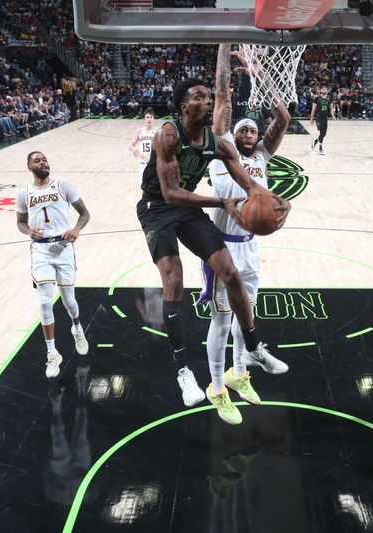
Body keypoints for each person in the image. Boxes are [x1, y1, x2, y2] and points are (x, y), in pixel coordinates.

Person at [137, 77, 291, 407]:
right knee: (174, 279)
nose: (208, 102)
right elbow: (170, 193)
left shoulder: (219, 145)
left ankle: (252, 346)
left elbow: (249, 183)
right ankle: (184, 373)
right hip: (158, 209)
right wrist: (222, 204)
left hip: (188, 210)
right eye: (200, 97)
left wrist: (276, 200)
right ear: (183, 106)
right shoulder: (168, 133)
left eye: (209, 97)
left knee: (230, 273)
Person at [198, 44, 290, 424]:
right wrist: (224, 49)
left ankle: (240, 374)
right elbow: (222, 97)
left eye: (254, 129)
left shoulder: (261, 158)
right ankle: (217, 387)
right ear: (233, 136)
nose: (250, 132)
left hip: (250, 249)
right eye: (244, 129)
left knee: (244, 316)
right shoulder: (223, 151)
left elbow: (282, 116)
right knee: (220, 322)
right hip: (223, 250)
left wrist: (258, 69)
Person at [15, 151, 91, 378]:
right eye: (37, 160)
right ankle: (52, 353)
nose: (43, 162)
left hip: (64, 248)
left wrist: (76, 229)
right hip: (41, 251)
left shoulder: (63, 185)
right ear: (29, 167)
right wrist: (29, 231)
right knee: (45, 302)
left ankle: (77, 328)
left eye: (45, 159)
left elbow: (85, 214)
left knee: (69, 300)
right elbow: (20, 223)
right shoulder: (24, 194)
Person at [129, 108, 157, 186]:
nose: (149, 119)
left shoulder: (158, 131)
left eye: (151, 117)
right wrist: (133, 148)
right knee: (143, 186)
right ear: (144, 119)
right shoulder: (140, 131)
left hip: (154, 164)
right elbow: (131, 145)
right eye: (147, 117)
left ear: (154, 119)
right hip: (143, 163)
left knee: (154, 187)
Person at [310, 86, 334, 156]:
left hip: (325, 117)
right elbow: (313, 110)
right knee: (321, 131)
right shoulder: (317, 98)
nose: (324, 90)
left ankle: (316, 141)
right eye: (323, 89)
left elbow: (331, 109)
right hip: (318, 117)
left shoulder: (329, 98)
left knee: (323, 134)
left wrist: (333, 116)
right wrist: (311, 119)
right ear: (321, 90)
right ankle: (320, 148)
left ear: (327, 90)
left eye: (325, 89)